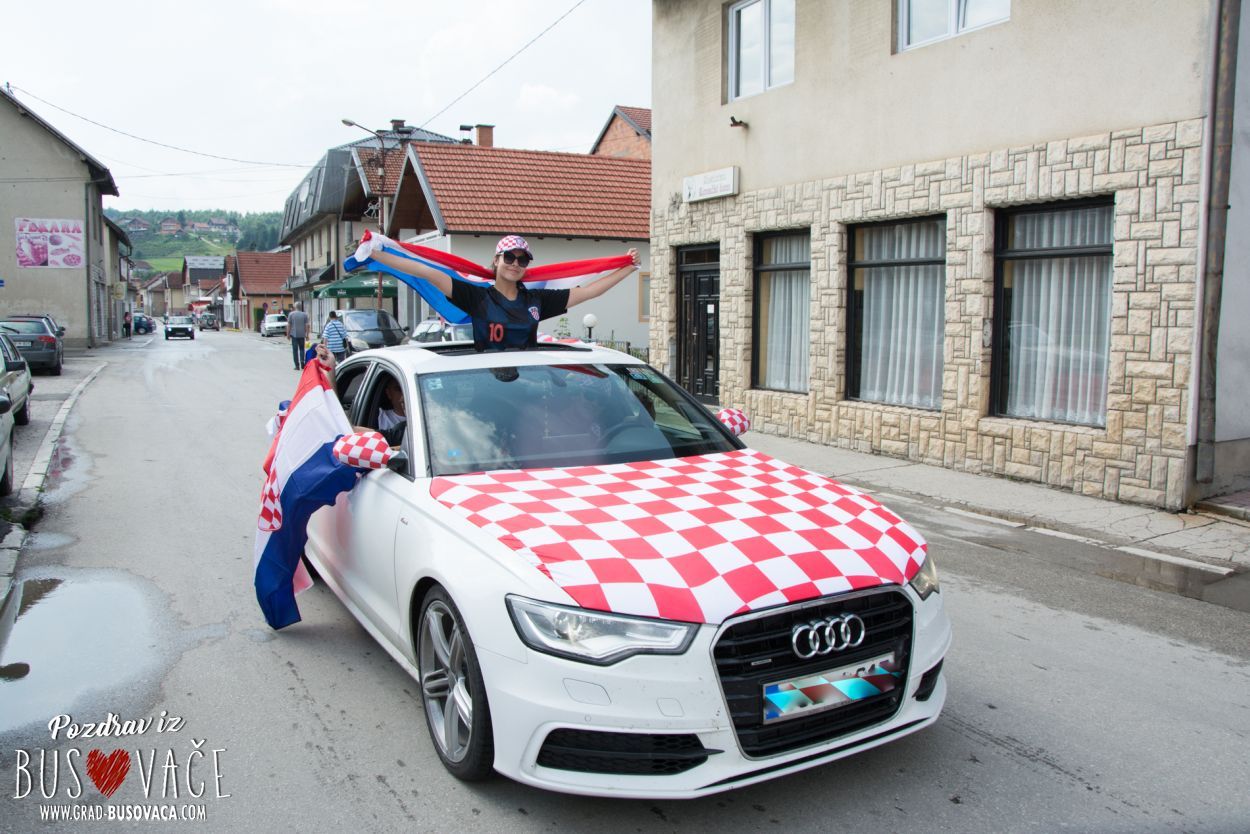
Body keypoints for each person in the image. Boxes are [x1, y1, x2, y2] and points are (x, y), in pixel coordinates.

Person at [366, 234, 639, 351]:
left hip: (527, 381)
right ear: (496, 261)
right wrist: (376, 253)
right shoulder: (477, 297)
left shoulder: (537, 300)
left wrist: (629, 268)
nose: (515, 264)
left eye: (522, 260)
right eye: (509, 257)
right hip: (488, 381)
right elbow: (427, 271)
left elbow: (590, 292)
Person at [287, 302, 309, 370]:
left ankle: (297, 365)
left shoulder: (291, 314)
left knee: (295, 350)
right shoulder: (304, 314)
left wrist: (288, 334)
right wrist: (307, 334)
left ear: (295, 307)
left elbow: (289, 325)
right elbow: (307, 325)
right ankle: (302, 362)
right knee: (302, 349)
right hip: (302, 335)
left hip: (294, 335)